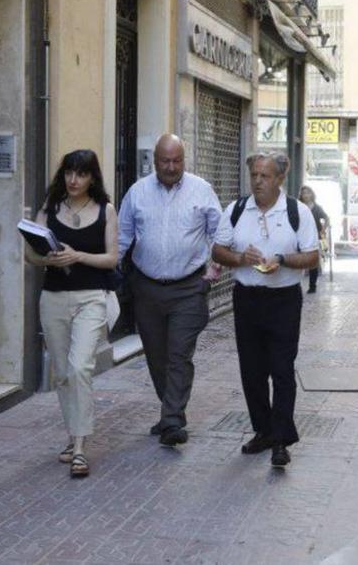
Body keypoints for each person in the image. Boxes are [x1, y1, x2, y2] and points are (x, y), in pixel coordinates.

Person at [212, 152, 319, 467]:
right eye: (255, 175)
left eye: (265, 176)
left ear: (280, 179)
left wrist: (283, 260)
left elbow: (312, 256)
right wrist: (241, 259)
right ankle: (263, 431)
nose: (258, 181)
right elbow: (218, 250)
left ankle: (282, 440)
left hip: (284, 300)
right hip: (246, 298)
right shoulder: (236, 210)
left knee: (282, 370)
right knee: (252, 371)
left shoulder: (296, 212)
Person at [118, 134, 222, 447]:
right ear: (155, 160)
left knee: (179, 354)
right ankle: (170, 410)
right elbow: (122, 238)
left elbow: (220, 232)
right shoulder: (137, 193)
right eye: (166, 161)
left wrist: (215, 265)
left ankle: (173, 419)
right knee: (156, 356)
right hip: (147, 287)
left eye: (177, 160)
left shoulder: (201, 190)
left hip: (189, 287)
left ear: (184, 160)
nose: (172, 167)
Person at [25, 150, 119, 478]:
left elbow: (111, 259)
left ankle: (80, 447)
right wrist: (49, 260)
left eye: (80, 174)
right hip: (52, 299)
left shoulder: (105, 210)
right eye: (68, 173)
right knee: (63, 373)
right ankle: (72, 437)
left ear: (92, 177)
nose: (73, 180)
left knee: (80, 367)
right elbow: (30, 256)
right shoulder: (49, 209)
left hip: (91, 298)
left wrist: (77, 256)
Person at [298, 185, 330, 294]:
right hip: (301, 236)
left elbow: (326, 218)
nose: (306, 195)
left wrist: (323, 230)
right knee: (298, 260)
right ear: (301, 195)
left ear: (312, 194)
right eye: (304, 193)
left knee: (313, 261)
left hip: (315, 237)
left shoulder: (317, 207)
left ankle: (312, 286)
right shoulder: (298, 206)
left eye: (308, 193)